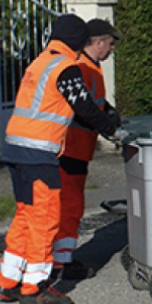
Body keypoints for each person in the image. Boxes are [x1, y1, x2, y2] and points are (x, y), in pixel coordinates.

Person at [0, 14, 121, 304]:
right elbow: (84, 107)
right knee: (46, 219)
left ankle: (8, 282)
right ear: (78, 40)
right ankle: (35, 288)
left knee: (25, 216)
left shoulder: (40, 62)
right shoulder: (66, 67)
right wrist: (112, 129)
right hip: (39, 153)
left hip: (16, 149)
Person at [51, 18, 123, 280]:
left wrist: (110, 113)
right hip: (69, 148)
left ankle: (61, 259)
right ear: (98, 42)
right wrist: (109, 128)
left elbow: (95, 103)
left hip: (77, 149)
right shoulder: (80, 67)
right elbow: (82, 109)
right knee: (68, 207)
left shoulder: (90, 67)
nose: (112, 49)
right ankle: (61, 263)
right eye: (110, 44)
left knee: (70, 206)